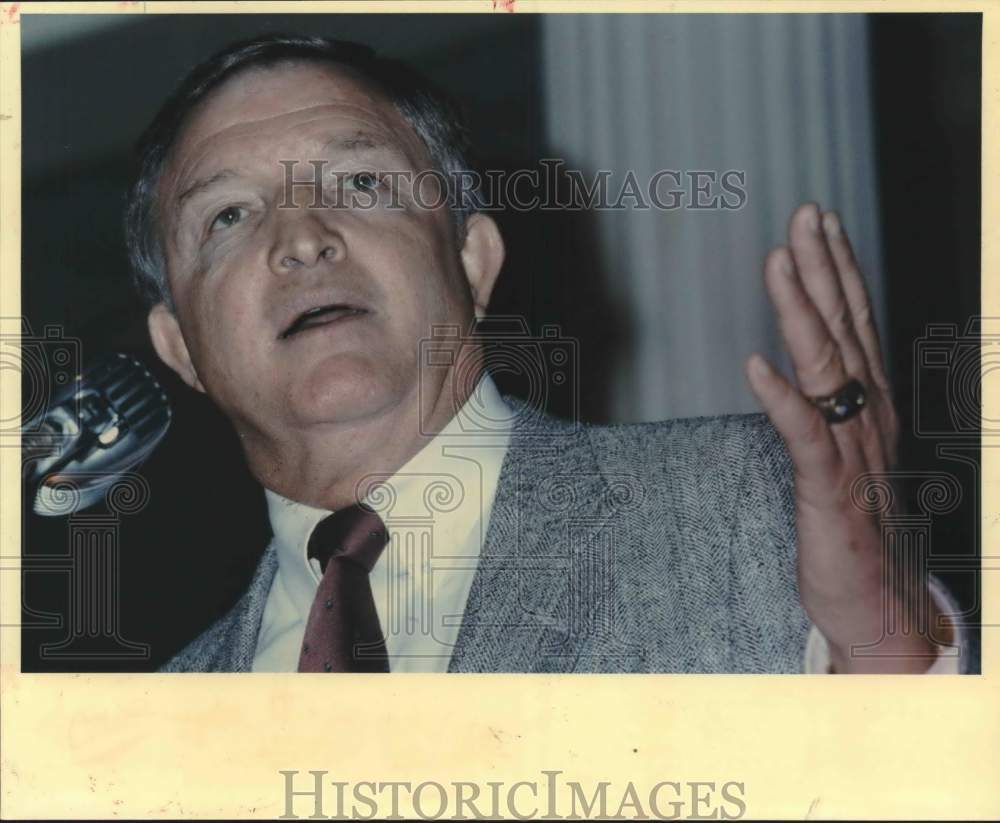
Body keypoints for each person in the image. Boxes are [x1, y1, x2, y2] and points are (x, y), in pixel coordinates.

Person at [127, 33, 968, 674]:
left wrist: (884, 645)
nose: (302, 239)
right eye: (229, 215)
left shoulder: (747, 498)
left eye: (360, 184)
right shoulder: (157, 723)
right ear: (180, 347)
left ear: (472, 261)